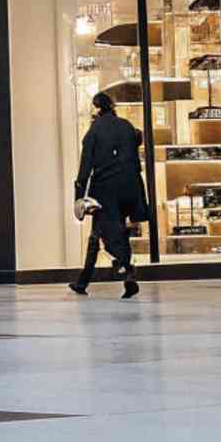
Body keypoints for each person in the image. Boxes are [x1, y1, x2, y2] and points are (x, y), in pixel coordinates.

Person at [69, 92, 147, 299]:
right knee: (108, 230)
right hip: (131, 186)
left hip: (106, 189)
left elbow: (85, 166)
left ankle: (127, 269)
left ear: (96, 110)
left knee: (105, 232)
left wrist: (79, 195)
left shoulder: (94, 132)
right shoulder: (127, 125)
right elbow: (136, 144)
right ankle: (82, 281)